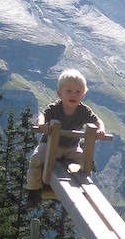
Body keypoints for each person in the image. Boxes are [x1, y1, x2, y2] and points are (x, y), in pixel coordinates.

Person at [26, 69, 106, 208]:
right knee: (36, 160)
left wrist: (100, 130)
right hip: (50, 144)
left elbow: (98, 121)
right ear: (60, 93)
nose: (73, 95)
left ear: (83, 95)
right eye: (69, 91)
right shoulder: (55, 108)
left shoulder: (84, 111)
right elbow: (43, 116)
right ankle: (33, 192)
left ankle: (85, 189)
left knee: (85, 161)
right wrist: (42, 125)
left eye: (77, 91)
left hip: (71, 147)